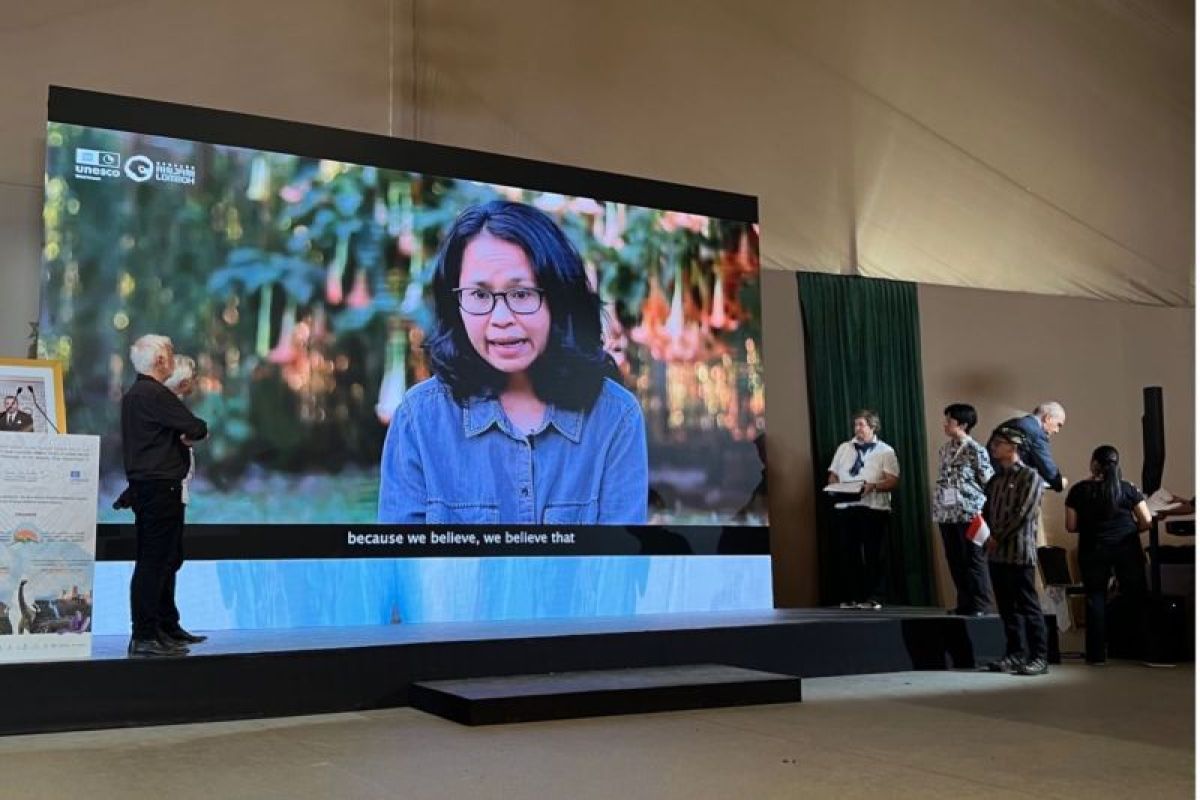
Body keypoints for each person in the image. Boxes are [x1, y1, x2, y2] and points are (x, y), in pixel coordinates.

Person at [378, 200, 649, 524]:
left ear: (559, 297)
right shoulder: (418, 419)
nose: (501, 318)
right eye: (479, 296)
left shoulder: (616, 417)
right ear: (456, 304)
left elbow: (618, 570)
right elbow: (400, 569)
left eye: (521, 294)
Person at [121, 335, 208, 658]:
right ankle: (144, 633)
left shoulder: (134, 395)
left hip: (148, 487)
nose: (172, 359)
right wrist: (191, 432)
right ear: (160, 361)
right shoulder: (154, 393)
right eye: (170, 355)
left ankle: (158, 629)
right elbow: (196, 426)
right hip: (160, 488)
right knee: (154, 562)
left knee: (159, 559)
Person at [1065, 445, 1152, 664]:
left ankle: (1096, 655)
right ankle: (1140, 650)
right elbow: (1147, 521)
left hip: (1093, 549)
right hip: (1127, 548)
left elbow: (1071, 526)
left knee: (1095, 598)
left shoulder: (1078, 490)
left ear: (1094, 464)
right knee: (1136, 596)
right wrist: (1131, 531)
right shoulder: (1128, 489)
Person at [982, 425, 1048, 676]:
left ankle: (1039, 657)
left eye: (999, 442)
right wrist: (986, 533)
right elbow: (986, 511)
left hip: (1019, 553)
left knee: (1028, 607)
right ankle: (1014, 654)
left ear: (1014, 446)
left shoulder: (1031, 476)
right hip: (996, 553)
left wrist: (998, 536)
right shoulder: (996, 479)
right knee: (1007, 609)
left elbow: (1024, 512)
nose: (994, 447)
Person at [826, 409, 900, 609]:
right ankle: (852, 596)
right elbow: (832, 474)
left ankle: (875, 597)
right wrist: (836, 486)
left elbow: (892, 480)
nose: (857, 428)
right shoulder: (844, 448)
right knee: (848, 553)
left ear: (872, 426)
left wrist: (873, 486)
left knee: (874, 554)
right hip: (846, 506)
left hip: (873, 508)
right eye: (856, 424)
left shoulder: (885, 450)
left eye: (861, 424)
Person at [931, 403, 994, 616]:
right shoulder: (945, 449)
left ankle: (981, 604)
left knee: (973, 558)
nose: (945, 424)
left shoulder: (976, 450)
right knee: (955, 558)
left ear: (963, 424)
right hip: (947, 513)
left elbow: (988, 481)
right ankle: (964, 602)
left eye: (949, 421)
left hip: (970, 512)